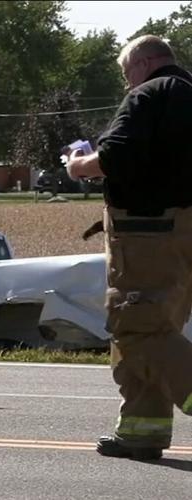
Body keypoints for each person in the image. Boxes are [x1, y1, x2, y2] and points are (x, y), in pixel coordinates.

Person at [67, 34, 192, 461]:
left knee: (140, 327)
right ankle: (142, 432)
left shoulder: (149, 95)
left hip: (145, 235)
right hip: (184, 233)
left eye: (126, 75)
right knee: (158, 329)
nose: (126, 85)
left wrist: (78, 165)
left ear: (143, 64)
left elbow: (115, 156)